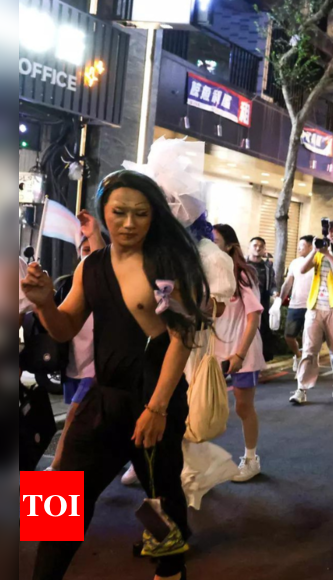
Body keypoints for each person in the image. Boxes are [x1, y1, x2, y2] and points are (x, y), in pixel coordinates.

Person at [23, 170, 213, 580]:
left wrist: (158, 408)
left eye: (140, 214)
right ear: (102, 213)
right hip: (102, 398)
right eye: (119, 212)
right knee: (60, 494)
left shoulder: (166, 266)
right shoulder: (90, 266)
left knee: (160, 498)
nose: (129, 223)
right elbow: (65, 328)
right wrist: (42, 304)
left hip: (153, 401)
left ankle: (169, 569)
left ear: (154, 215)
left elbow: (181, 338)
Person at [214, 225, 269, 483]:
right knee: (202, 407)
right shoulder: (208, 274)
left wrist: (240, 354)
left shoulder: (243, 275)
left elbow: (253, 317)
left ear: (229, 247)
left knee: (243, 407)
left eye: (215, 241)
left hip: (242, 351)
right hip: (214, 351)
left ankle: (250, 458)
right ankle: (197, 461)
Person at [51, 225, 106, 472]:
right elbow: (60, 326)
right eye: (85, 250)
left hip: (99, 369)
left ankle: (55, 471)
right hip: (74, 364)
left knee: (73, 423)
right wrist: (43, 302)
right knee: (85, 429)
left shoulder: (114, 287)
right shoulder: (70, 284)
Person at [292, 221, 333, 403]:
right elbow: (303, 269)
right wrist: (315, 250)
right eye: (330, 231)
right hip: (314, 308)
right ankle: (301, 389)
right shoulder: (319, 252)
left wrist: (328, 254)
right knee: (309, 350)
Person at [281, 236, 316, 372]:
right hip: (295, 305)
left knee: (309, 338)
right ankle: (298, 355)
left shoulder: (317, 262)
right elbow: (288, 282)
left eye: (302, 245)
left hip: (312, 306)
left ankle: (306, 366)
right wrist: (279, 300)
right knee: (289, 336)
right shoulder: (295, 263)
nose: (298, 247)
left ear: (310, 247)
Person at [248, 237, 277, 362]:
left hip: (262, 305)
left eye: (261, 246)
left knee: (260, 335)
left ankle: (256, 364)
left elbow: (272, 285)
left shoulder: (267, 267)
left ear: (264, 249)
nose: (258, 248)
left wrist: (275, 292)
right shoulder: (241, 263)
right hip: (244, 304)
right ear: (249, 247)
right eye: (255, 245)